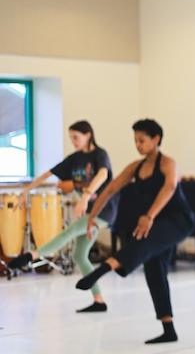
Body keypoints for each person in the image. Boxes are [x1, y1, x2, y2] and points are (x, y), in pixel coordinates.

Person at [76, 119, 195, 344]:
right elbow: (110, 188)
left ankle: (104, 268)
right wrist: (91, 217)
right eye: (135, 141)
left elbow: (169, 188)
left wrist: (149, 216)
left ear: (156, 139)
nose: (138, 145)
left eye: (142, 140)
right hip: (157, 222)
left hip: (178, 221)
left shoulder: (168, 163)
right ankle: (168, 329)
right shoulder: (135, 167)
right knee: (154, 270)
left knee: (144, 244)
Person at [9, 121, 118, 313]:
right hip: (87, 211)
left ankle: (32, 255)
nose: (73, 141)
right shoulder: (74, 159)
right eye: (71, 138)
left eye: (76, 137)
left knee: (71, 231)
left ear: (88, 135)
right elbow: (48, 174)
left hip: (103, 209)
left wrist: (85, 196)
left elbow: (103, 174)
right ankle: (99, 301)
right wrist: (26, 190)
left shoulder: (99, 155)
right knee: (79, 255)